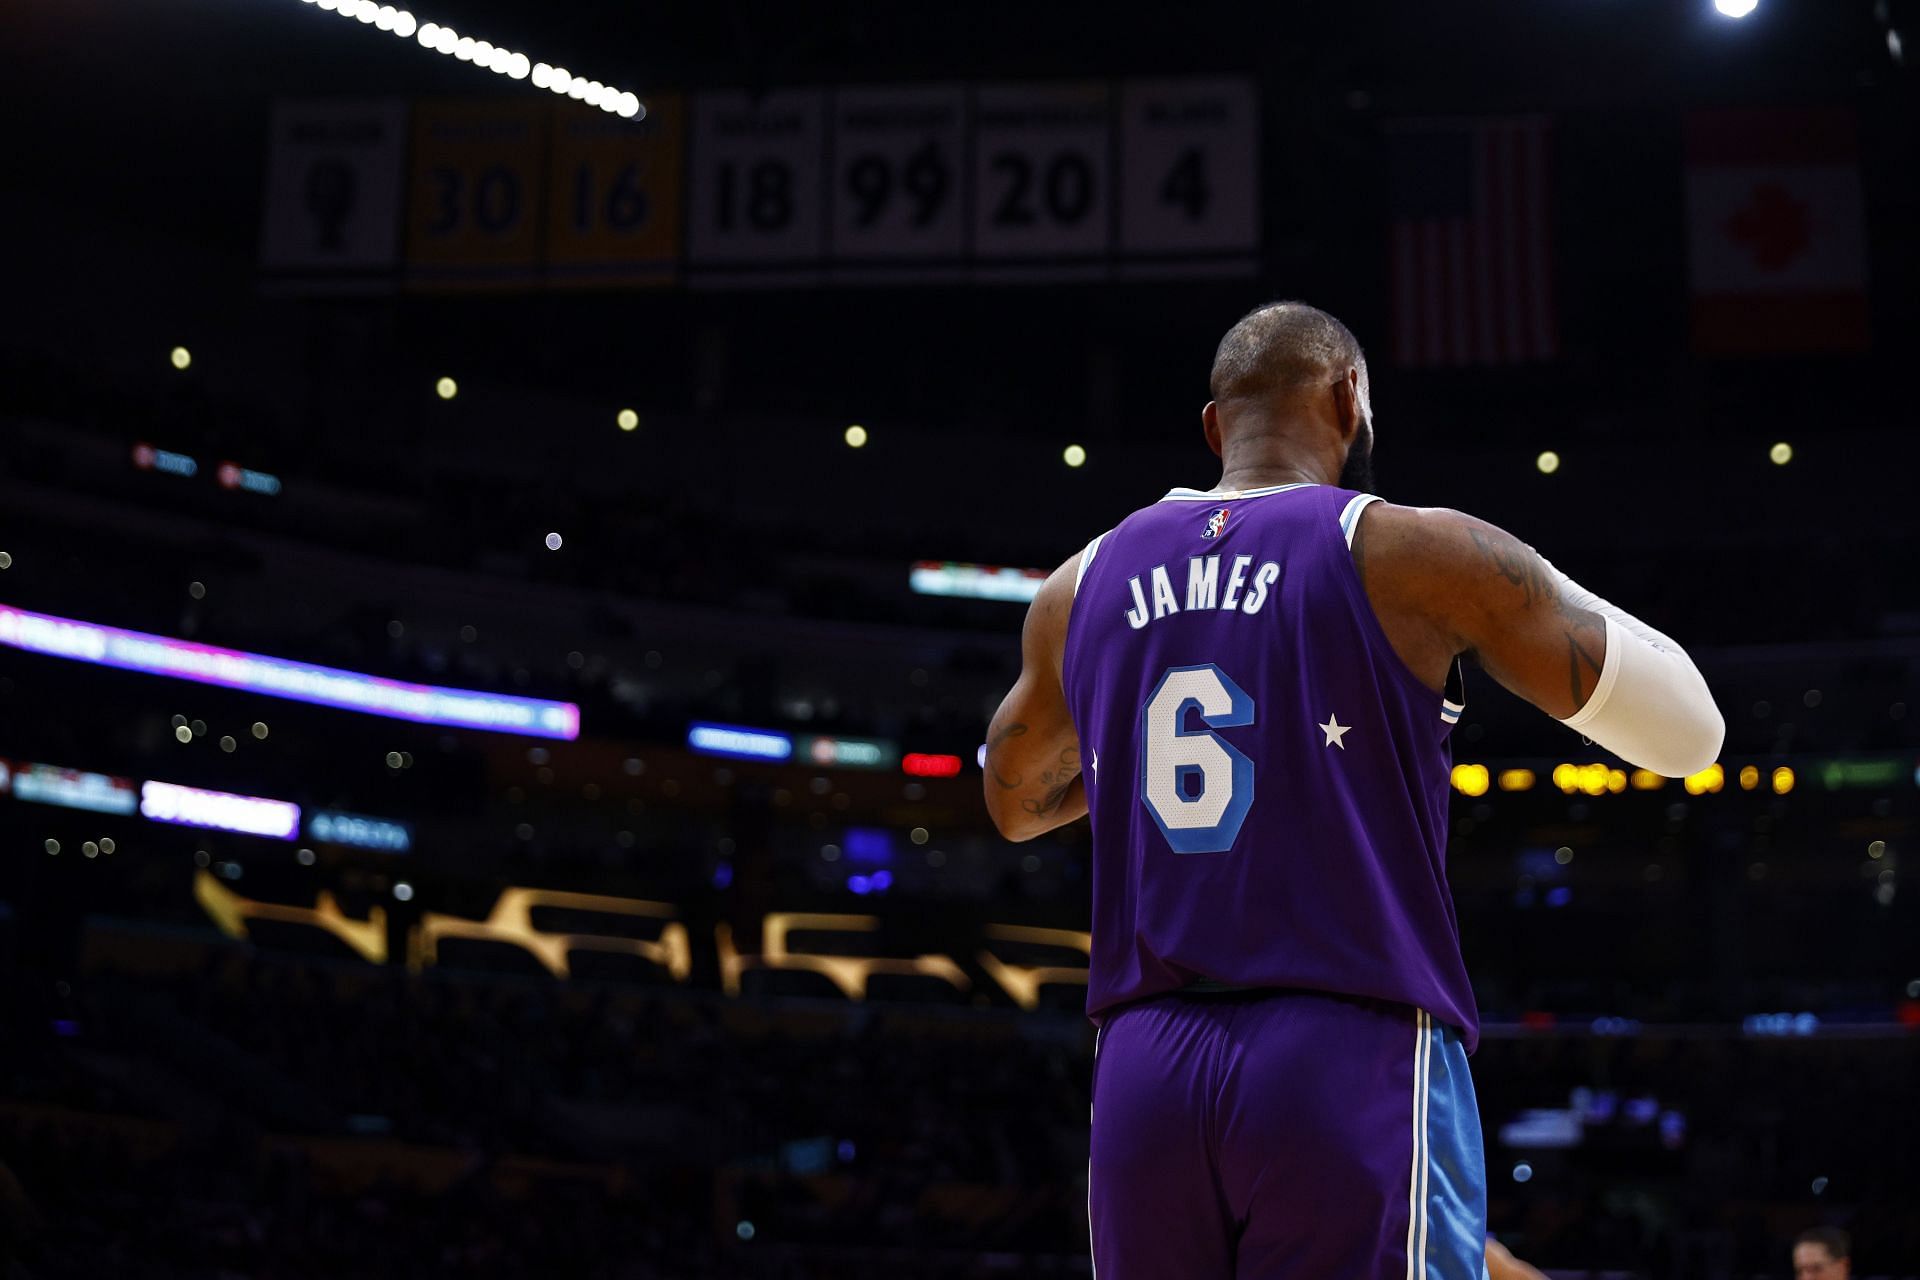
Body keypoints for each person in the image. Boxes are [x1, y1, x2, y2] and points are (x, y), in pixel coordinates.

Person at [982, 301, 1723, 1279]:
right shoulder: (1409, 550)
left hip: (1144, 1066)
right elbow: (1689, 733)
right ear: (1350, 400)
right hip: (1344, 1047)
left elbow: (1013, 799)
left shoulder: (1080, 585)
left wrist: (1123, 746)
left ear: (1215, 424)